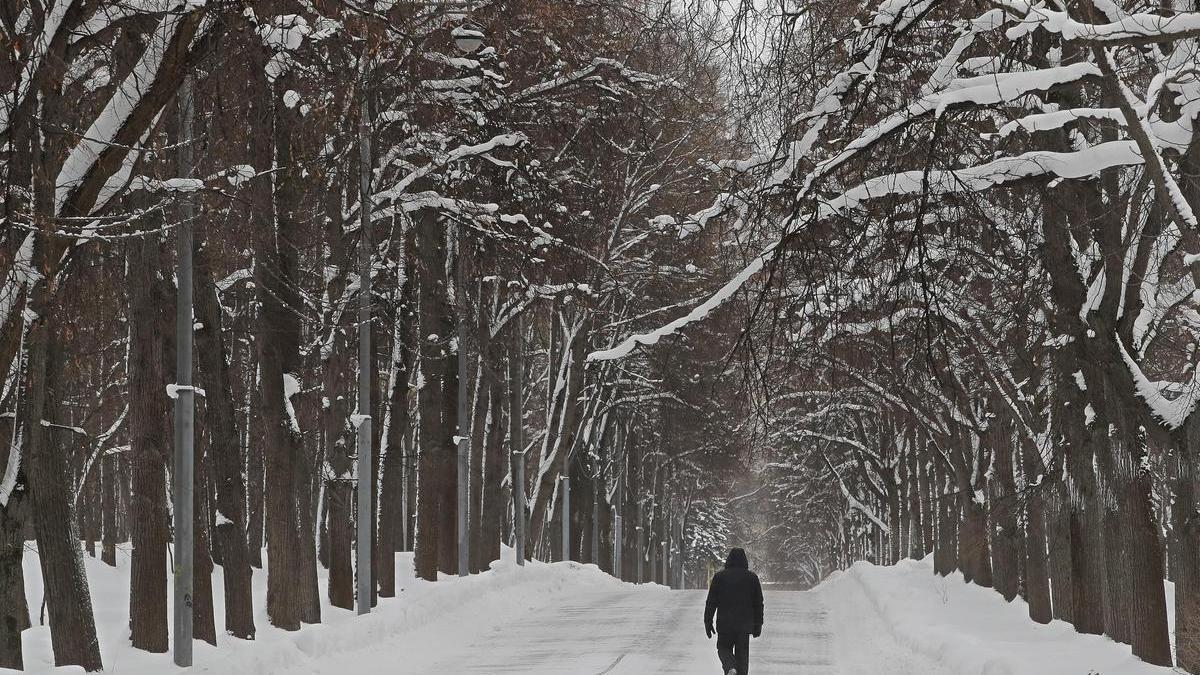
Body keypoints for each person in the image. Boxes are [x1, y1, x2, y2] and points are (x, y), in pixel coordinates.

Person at [703, 547, 764, 675]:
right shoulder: (752, 578)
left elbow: (711, 601)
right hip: (744, 626)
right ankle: (737, 671)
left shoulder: (720, 577)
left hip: (725, 624)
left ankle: (730, 667)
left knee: (723, 648)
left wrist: (708, 621)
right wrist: (758, 625)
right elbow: (758, 604)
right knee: (742, 657)